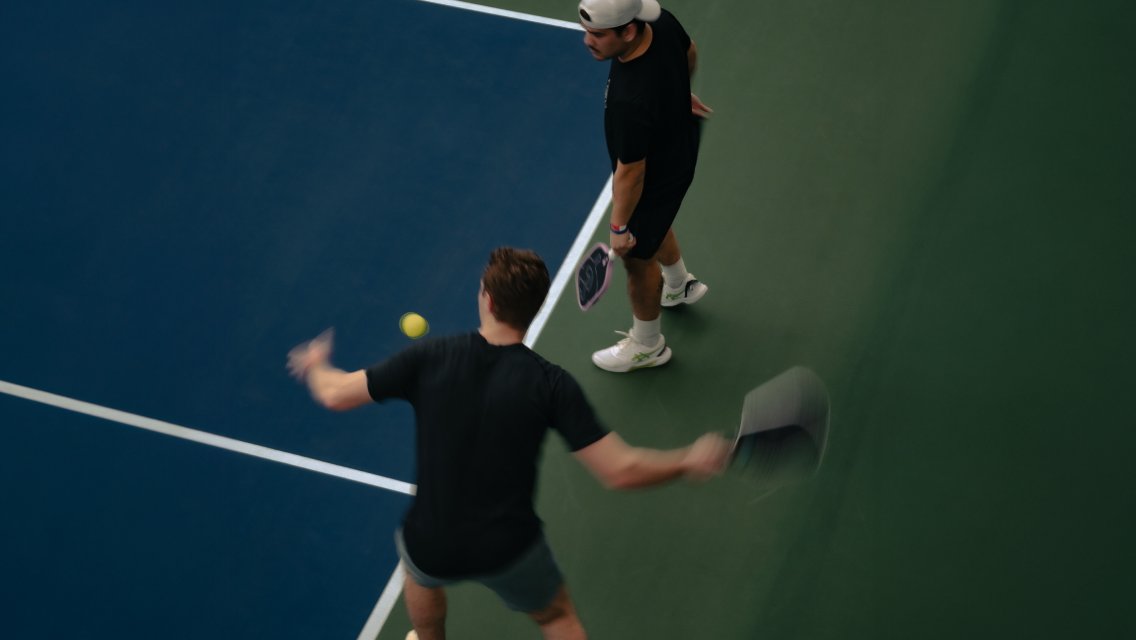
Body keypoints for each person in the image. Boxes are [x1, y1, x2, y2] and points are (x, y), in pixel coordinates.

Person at [287, 247, 729, 640]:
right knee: (556, 616)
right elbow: (620, 470)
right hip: (509, 547)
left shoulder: (429, 357)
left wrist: (315, 365)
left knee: (418, 573)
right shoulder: (552, 385)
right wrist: (686, 460)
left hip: (433, 536)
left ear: (488, 300)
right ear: (534, 309)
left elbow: (335, 394)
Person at [578, 0, 712, 373]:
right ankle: (677, 282)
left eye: (598, 35)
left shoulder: (630, 100)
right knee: (653, 221)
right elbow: (689, 51)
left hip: (653, 172)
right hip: (680, 145)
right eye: (587, 31)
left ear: (629, 30)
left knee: (637, 259)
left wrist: (619, 229)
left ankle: (647, 344)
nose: (588, 41)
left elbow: (631, 173)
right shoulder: (663, 22)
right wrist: (676, 95)